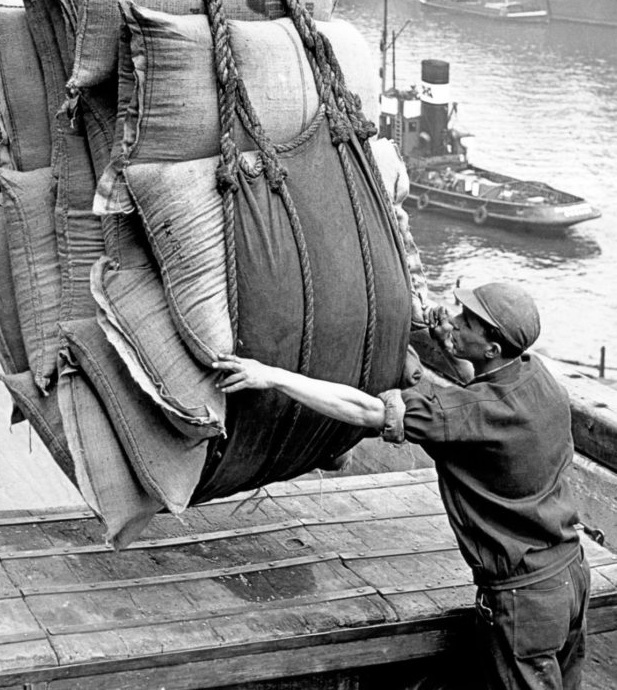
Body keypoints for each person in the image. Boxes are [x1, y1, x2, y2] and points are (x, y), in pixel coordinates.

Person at [212, 281, 590, 690]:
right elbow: (482, 393)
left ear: (493, 349)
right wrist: (451, 347)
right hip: (571, 577)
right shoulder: (537, 377)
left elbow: (365, 410)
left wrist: (272, 376)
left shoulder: (466, 415)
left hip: (525, 600)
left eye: (466, 321)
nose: (453, 319)